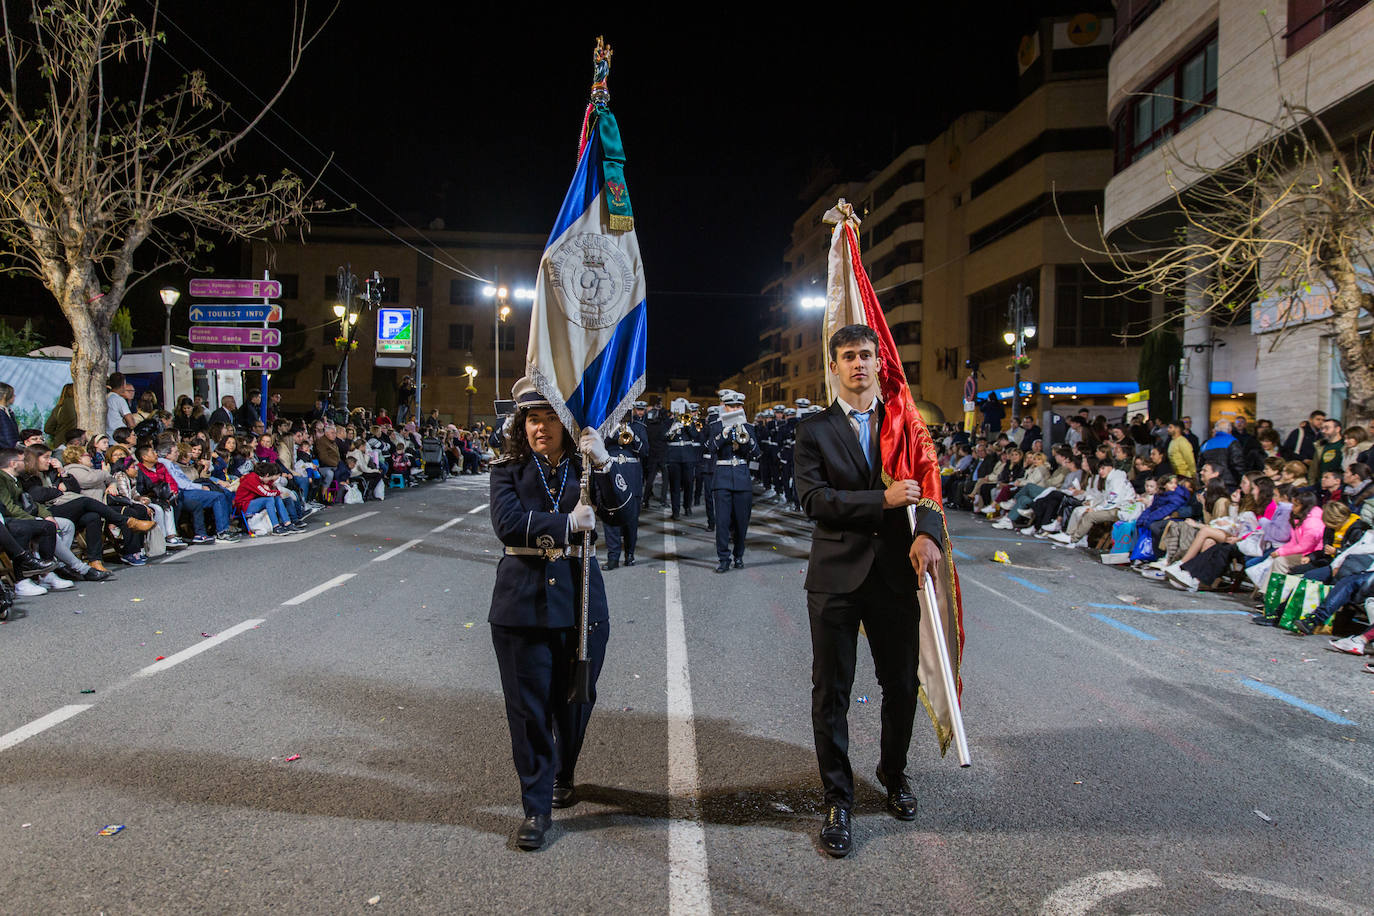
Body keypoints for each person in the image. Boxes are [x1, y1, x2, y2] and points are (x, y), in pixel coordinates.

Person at [793, 324, 944, 858]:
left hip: (894, 574)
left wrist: (927, 533)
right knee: (831, 692)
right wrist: (879, 500)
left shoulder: (903, 423)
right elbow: (813, 499)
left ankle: (893, 770)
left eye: (866, 355)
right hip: (835, 574)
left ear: (880, 364)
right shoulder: (813, 429)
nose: (859, 364)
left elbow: (928, 484)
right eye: (848, 356)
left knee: (901, 685)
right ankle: (838, 797)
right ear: (833, 367)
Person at [487, 377, 629, 851]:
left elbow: (625, 516)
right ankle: (536, 806)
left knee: (576, 701)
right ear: (520, 424)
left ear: (566, 424)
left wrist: (606, 462)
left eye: (549, 417)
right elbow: (507, 523)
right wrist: (566, 524)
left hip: (581, 601)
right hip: (521, 603)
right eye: (532, 418)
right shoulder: (507, 468)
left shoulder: (586, 466)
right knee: (528, 712)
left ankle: (564, 769)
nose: (540, 427)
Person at [704, 391, 760, 573]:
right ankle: (723, 558)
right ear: (724, 407)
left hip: (742, 478)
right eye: (731, 406)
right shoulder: (716, 426)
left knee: (742, 522)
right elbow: (710, 448)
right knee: (722, 522)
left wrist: (747, 437)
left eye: (738, 406)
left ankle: (739, 555)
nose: (734, 409)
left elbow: (757, 453)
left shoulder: (749, 427)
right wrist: (724, 434)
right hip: (722, 478)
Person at [602, 411, 647, 569]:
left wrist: (634, 436)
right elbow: (598, 446)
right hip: (612, 473)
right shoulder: (605, 426)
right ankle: (613, 557)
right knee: (611, 517)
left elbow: (645, 451)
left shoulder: (638, 427)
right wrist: (611, 432)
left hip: (631, 475)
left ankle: (630, 554)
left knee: (631, 520)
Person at [105, 373, 137, 437]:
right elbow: (130, 420)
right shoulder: (119, 399)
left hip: (108, 434)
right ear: (123, 385)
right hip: (120, 436)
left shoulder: (106, 397)